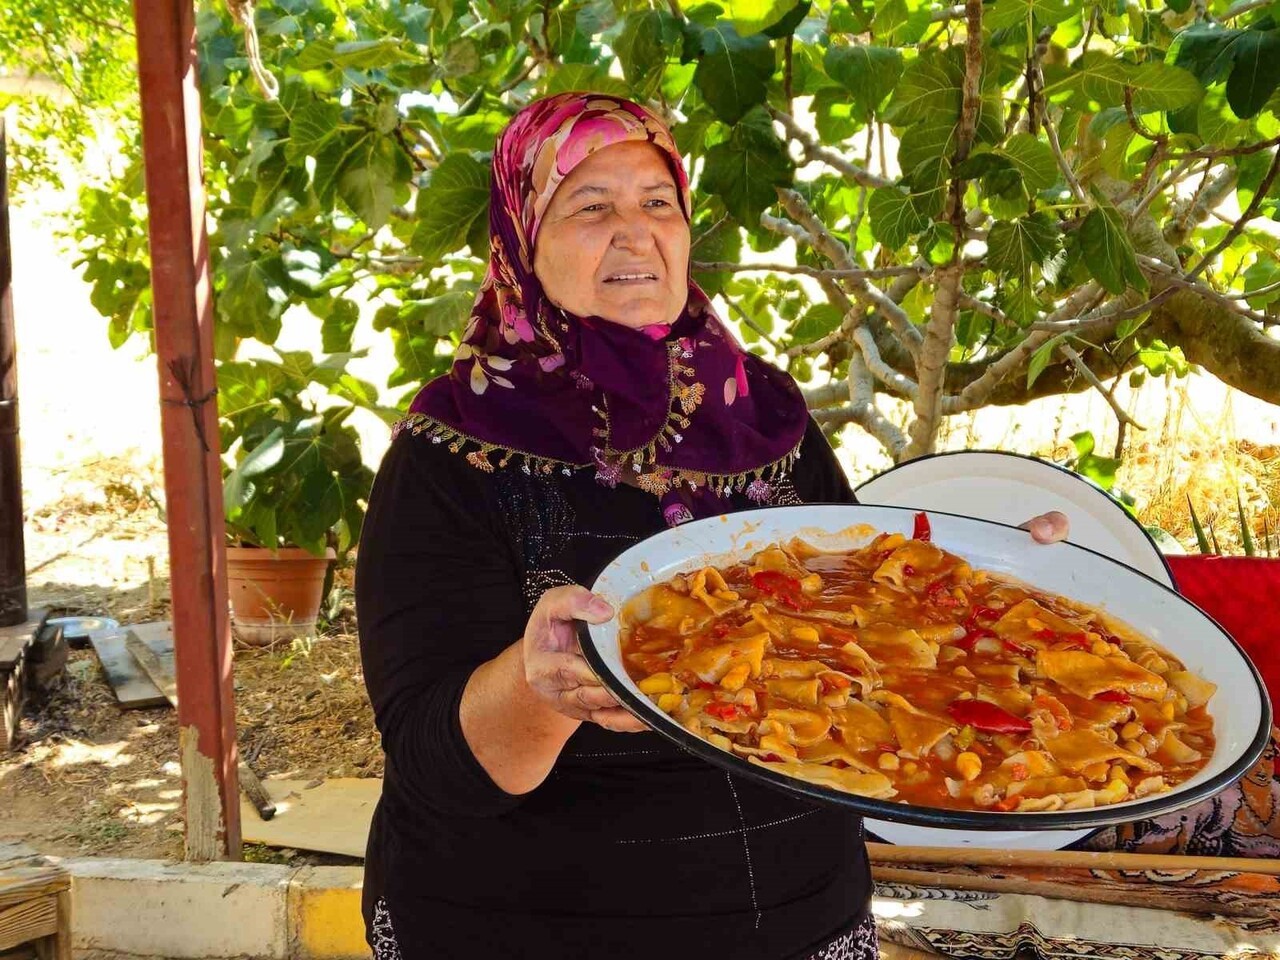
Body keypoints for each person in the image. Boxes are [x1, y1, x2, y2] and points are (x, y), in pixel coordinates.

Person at [355, 92, 1069, 960]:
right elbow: (434, 769)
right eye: (590, 205)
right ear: (522, 236)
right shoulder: (453, 450)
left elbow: (871, 624)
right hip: (530, 926)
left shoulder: (761, 413)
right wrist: (537, 691)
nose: (635, 231)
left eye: (658, 202)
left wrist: (996, 590)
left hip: (802, 916)